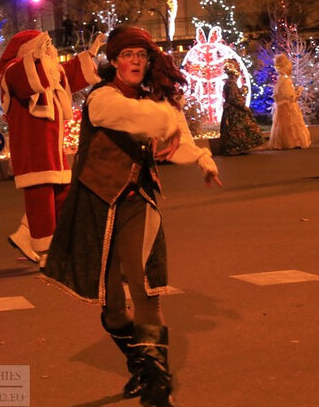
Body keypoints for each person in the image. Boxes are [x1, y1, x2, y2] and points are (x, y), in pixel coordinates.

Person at [42, 26, 222, 407]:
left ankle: (157, 385)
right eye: (128, 55)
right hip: (96, 203)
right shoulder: (103, 99)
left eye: (142, 55)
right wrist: (167, 117)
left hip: (137, 198)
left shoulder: (150, 100)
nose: (136, 61)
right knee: (111, 305)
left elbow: (176, 137)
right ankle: (141, 367)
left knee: (144, 286)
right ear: (115, 61)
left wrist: (201, 159)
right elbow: (148, 121)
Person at [0, 29, 102, 267]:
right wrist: (32, 59)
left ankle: (28, 237)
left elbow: (64, 73)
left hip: (51, 147)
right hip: (33, 147)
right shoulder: (14, 70)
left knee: (60, 194)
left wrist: (89, 55)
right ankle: (47, 251)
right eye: (44, 46)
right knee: (41, 195)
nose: (49, 51)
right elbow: (20, 77)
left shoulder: (47, 70)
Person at [219, 60, 264, 155]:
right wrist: (242, 106)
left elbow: (233, 96)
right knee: (236, 127)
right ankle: (236, 146)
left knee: (234, 127)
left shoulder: (230, 84)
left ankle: (237, 147)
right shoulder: (231, 84)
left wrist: (241, 92)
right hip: (233, 111)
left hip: (231, 109)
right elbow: (233, 98)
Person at [268, 54, 311, 149]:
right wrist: (299, 91)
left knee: (282, 126)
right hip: (288, 107)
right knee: (291, 125)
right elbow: (290, 97)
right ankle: (293, 142)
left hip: (281, 107)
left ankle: (284, 142)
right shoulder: (286, 80)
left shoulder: (280, 80)